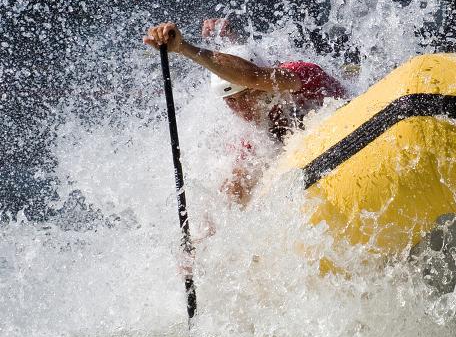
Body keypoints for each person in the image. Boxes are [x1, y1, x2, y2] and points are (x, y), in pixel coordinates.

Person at [143, 20, 347, 205]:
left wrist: (183, 48)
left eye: (246, 95)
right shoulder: (253, 135)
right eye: (231, 101)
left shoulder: (296, 76)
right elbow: (234, 188)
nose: (241, 107)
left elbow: (251, 75)